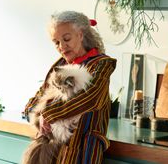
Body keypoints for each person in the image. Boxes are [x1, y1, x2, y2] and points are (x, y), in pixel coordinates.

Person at [23, 11, 116, 163]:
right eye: (56, 42)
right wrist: (37, 115)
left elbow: (90, 98)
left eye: (66, 39)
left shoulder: (101, 64)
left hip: (83, 150)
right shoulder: (59, 65)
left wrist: (48, 114)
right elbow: (38, 98)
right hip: (52, 152)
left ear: (81, 34)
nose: (62, 46)